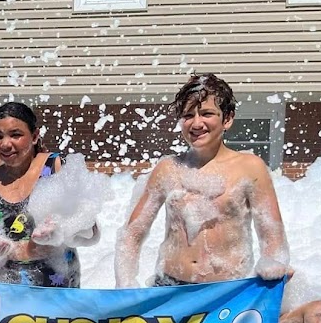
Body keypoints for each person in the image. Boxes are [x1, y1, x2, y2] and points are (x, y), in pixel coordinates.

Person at [115, 73, 290, 287]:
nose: (196, 123)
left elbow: (272, 234)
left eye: (207, 113)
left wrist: (273, 266)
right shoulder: (168, 169)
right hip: (169, 287)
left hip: (226, 291)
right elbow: (133, 233)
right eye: (188, 115)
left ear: (227, 119)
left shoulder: (250, 167)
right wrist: (125, 284)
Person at [0, 102, 95, 287]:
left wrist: (61, 230)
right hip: (7, 289)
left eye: (16, 134)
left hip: (58, 285)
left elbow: (91, 231)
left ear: (35, 136)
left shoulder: (56, 167)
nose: (5, 144)